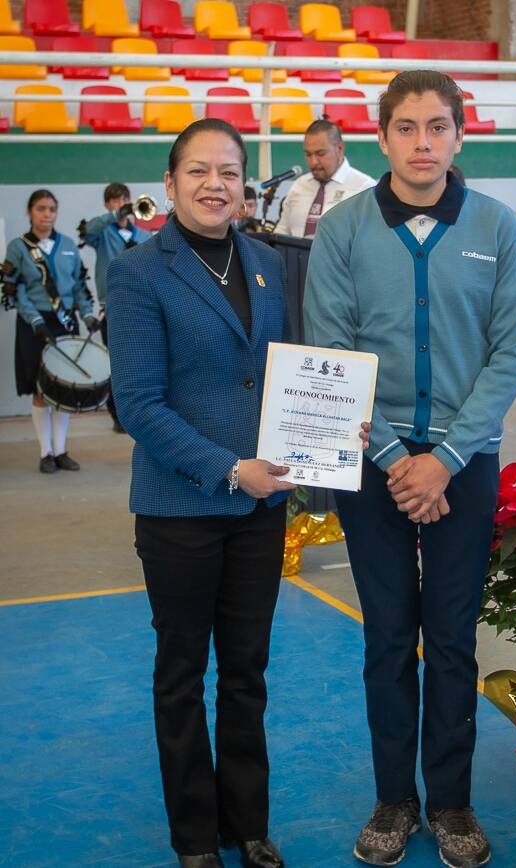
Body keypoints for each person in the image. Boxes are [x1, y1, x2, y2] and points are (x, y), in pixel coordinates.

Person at [106, 117, 369, 868]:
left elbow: (288, 372)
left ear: (245, 185)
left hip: (259, 512)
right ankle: (194, 838)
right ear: (170, 182)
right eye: (198, 170)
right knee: (182, 676)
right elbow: (140, 404)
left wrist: (331, 427)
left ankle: (247, 825)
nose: (214, 184)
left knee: (247, 674)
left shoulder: (263, 262)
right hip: (180, 510)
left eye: (228, 171)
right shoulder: (137, 272)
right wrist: (229, 467)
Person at [304, 71, 516, 868]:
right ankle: (392, 800)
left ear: (459, 136)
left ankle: (450, 802)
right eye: (406, 128)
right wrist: (396, 461)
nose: (422, 143)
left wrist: (441, 460)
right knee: (385, 637)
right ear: (382, 137)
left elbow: (508, 354)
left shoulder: (498, 229)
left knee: (450, 640)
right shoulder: (340, 231)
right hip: (371, 466)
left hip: (464, 464)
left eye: (437, 127)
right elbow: (331, 348)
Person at [1, 189, 100, 474]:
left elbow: (79, 287)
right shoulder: (17, 248)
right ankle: (45, 453)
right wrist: (35, 321)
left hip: (64, 321)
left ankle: (61, 450)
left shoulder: (68, 245)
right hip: (35, 324)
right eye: (41, 209)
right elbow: (14, 291)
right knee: (41, 390)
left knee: (63, 390)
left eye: (52, 209)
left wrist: (89, 316)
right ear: (30, 213)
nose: (47, 214)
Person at [78, 182, 151, 432]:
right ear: (108, 204)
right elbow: (86, 231)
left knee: (142, 360)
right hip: (110, 305)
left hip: (140, 306)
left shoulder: (142, 236)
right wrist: (113, 216)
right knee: (116, 361)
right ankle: (117, 413)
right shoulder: (102, 233)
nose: (122, 205)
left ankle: (140, 410)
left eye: (124, 200)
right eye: (116, 201)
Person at [274, 119, 375, 238]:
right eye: (308, 154)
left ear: (340, 148)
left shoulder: (364, 188)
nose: (313, 162)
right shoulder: (299, 185)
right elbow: (281, 232)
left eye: (320, 154)